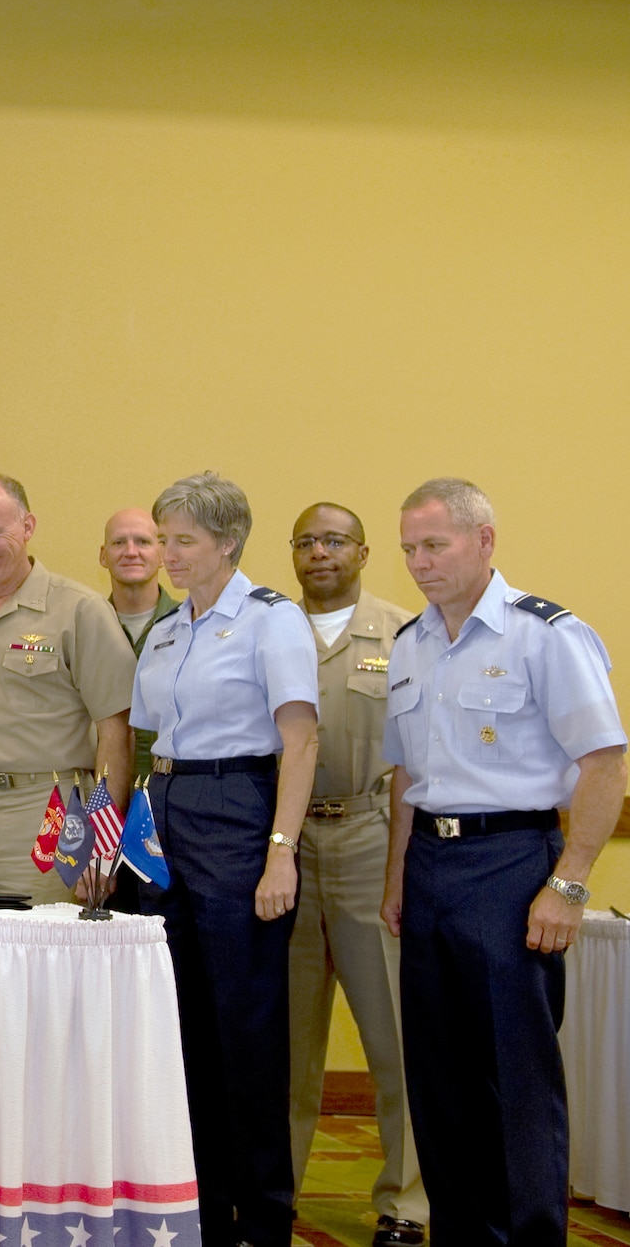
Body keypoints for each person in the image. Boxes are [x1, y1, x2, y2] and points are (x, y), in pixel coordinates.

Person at [380, 478, 625, 1247]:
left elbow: (605, 762)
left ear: (484, 540)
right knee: (441, 1081)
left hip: (514, 863)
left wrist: (569, 882)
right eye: (409, 548)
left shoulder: (546, 634)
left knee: (516, 1080)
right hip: (430, 870)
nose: (420, 563)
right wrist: (397, 881)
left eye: (435, 544)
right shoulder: (411, 644)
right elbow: (406, 779)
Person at [129, 471, 319, 1247]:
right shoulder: (171, 627)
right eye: (164, 536)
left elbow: (301, 740)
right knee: (182, 1029)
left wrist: (280, 854)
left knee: (247, 1027)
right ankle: (202, 1208)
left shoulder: (272, 620)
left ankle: (265, 1212)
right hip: (167, 812)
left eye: (183, 541)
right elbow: (147, 742)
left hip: (238, 810)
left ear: (228, 542)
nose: (167, 553)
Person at [283, 504, 425, 1247]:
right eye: (306, 540)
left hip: (372, 837)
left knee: (394, 1035)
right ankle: (277, 1191)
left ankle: (406, 1202)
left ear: (365, 551)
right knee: (287, 1040)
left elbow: (416, 761)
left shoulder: (405, 633)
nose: (319, 552)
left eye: (333, 539)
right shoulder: (269, 629)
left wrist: (402, 866)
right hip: (288, 845)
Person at [0, 475, 135, 904]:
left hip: (51, 810)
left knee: (50, 956)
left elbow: (116, 730)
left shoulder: (78, 610)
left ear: (28, 527)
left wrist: (103, 840)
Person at [100, 507, 181, 781]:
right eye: (119, 542)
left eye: (143, 542)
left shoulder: (192, 627)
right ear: (103, 556)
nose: (131, 551)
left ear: (162, 554)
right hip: (103, 794)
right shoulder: (85, 629)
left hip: (171, 793)